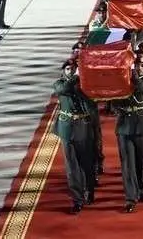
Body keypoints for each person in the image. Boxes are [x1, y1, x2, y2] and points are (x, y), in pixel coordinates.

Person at [112, 60, 143, 213]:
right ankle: (131, 198)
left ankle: (142, 189)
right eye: (136, 65)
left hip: (142, 126)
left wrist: (133, 77)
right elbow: (114, 101)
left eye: (142, 66)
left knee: (142, 161)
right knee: (128, 165)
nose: (139, 68)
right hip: (125, 126)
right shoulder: (124, 81)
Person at [52, 59, 95, 214]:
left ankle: (89, 190)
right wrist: (76, 78)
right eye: (68, 69)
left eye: (73, 69)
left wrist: (82, 79)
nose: (70, 71)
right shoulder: (60, 83)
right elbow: (64, 89)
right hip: (66, 128)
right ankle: (77, 199)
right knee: (71, 167)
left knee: (86, 163)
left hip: (82, 127)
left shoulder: (83, 83)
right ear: (64, 71)